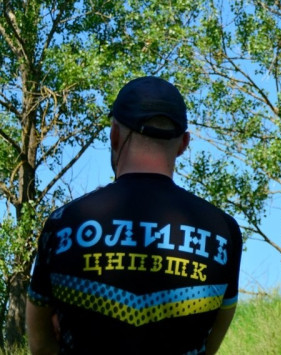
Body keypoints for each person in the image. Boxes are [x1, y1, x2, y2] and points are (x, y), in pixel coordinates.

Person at [27, 76, 242, 354]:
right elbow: (210, 345)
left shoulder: (63, 223)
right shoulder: (224, 232)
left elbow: (39, 345)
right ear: (183, 144)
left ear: (114, 135)